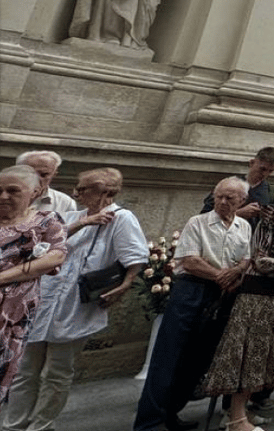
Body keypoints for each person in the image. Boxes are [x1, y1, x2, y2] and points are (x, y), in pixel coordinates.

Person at [5, 168, 142, 431]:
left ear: (107, 192)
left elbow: (134, 257)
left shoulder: (123, 219)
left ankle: (41, 426)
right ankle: (14, 425)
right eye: (76, 187)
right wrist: (84, 223)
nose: (75, 193)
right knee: (24, 370)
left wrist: (124, 286)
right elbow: (40, 244)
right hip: (41, 301)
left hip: (76, 304)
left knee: (56, 373)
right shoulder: (70, 216)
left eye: (83, 189)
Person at [135, 177, 251, 431]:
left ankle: (171, 413)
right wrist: (222, 275)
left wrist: (239, 270)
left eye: (229, 198)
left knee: (197, 360)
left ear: (242, 201)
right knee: (169, 357)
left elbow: (246, 258)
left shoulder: (243, 226)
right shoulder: (197, 222)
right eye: (218, 196)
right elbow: (189, 260)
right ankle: (149, 423)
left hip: (221, 294)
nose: (222, 201)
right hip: (192, 290)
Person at [200, 180, 274, 431]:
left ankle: (240, 413)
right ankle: (235, 419)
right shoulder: (269, 222)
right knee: (248, 357)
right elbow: (260, 261)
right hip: (257, 299)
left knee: (263, 359)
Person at [0, 166, 68, 403]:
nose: (3, 196)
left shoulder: (46, 221)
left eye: (12, 190)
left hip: (10, 316)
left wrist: (3, 277)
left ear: (35, 192)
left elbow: (55, 257)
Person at [201, 148, 274, 222]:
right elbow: (204, 218)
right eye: (262, 169)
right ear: (252, 163)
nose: (265, 174)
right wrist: (238, 214)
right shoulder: (228, 185)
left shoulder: (272, 191)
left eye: (270, 171)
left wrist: (272, 216)